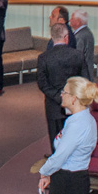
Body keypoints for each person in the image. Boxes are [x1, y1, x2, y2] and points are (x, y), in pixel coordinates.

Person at [37, 23, 85, 154]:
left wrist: (59, 97)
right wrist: (71, 97)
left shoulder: (43, 58)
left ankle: (58, 167)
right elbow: (84, 81)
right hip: (75, 105)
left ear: (52, 38)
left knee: (56, 140)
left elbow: (42, 84)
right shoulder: (78, 55)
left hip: (53, 105)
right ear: (66, 37)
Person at [69, 9, 94, 80]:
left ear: (78, 21)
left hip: (82, 75)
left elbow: (77, 57)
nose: (70, 20)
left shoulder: (80, 36)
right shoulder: (86, 32)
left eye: (72, 18)